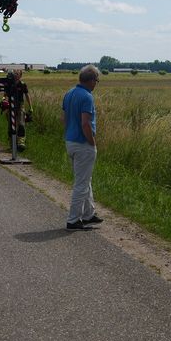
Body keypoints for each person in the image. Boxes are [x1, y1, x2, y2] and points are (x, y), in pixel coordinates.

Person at [61, 64, 101, 230]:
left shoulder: (69, 93)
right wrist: (91, 141)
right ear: (91, 80)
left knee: (85, 179)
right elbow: (85, 123)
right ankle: (73, 220)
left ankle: (88, 214)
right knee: (81, 184)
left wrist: (70, 132)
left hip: (70, 140)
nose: (96, 84)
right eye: (96, 80)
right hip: (83, 143)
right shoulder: (87, 96)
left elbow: (63, 119)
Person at [0, 68, 33, 151]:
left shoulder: (23, 84)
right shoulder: (9, 84)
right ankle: (12, 145)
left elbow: (27, 96)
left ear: (20, 76)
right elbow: (5, 94)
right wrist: (4, 100)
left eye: (18, 74)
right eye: (15, 74)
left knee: (21, 124)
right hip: (10, 105)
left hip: (20, 105)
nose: (16, 75)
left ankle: (21, 143)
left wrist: (31, 107)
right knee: (11, 126)